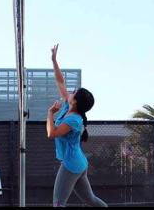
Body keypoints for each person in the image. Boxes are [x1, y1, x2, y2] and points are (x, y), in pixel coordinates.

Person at [46, 44, 108, 207]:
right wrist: (54, 60)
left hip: (71, 165)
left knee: (58, 204)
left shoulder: (73, 121)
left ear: (75, 101)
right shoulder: (69, 106)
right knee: (91, 200)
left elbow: (51, 133)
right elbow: (60, 82)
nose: (70, 92)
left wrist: (50, 113)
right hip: (78, 163)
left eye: (74, 93)